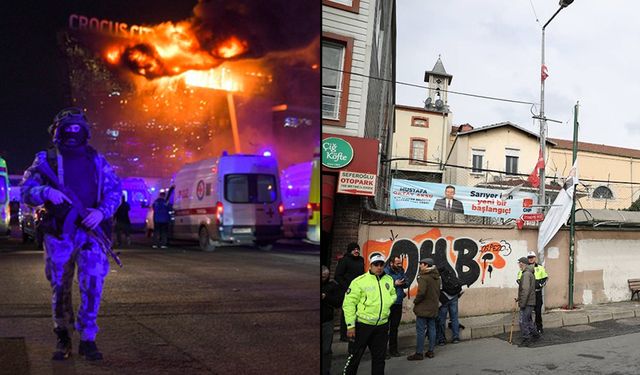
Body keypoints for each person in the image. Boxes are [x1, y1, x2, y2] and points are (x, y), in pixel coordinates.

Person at [20, 107, 122, 361]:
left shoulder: (97, 160)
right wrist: (45, 192)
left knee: (93, 285)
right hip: (59, 234)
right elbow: (25, 191)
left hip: (90, 233)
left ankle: (87, 338)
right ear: (58, 132)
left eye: (78, 129)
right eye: (68, 129)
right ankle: (63, 336)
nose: (73, 134)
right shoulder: (47, 160)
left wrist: (101, 212)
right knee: (60, 288)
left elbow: (114, 192)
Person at [342, 254, 395, 375]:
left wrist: (388, 302)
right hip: (363, 326)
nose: (379, 267)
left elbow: (393, 294)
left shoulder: (389, 279)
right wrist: (350, 325)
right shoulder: (359, 281)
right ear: (370, 266)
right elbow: (349, 303)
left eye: (382, 264)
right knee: (354, 358)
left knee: (379, 359)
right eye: (376, 264)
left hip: (382, 326)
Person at [407, 258, 440, 360]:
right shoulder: (437, 276)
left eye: (421, 264)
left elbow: (421, 293)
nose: (420, 265)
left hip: (423, 307)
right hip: (433, 306)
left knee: (421, 330)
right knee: (432, 329)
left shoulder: (424, 277)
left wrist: (415, 301)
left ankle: (419, 353)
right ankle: (431, 351)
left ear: (426, 265)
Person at [334, 242, 364, 341]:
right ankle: (344, 335)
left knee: (357, 312)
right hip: (347, 291)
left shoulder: (361, 260)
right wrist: (347, 287)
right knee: (347, 313)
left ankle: (354, 333)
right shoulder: (344, 260)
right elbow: (337, 276)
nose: (356, 251)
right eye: (354, 249)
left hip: (359, 291)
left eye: (357, 249)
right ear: (350, 250)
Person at [518, 250, 549, 334]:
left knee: (538, 311)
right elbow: (519, 279)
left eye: (532, 257)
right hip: (529, 294)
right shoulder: (524, 268)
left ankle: (539, 327)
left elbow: (545, 278)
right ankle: (532, 328)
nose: (530, 259)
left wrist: (540, 285)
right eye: (529, 257)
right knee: (529, 312)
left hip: (537, 292)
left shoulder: (540, 267)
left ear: (535, 258)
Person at [384, 255, 408, 358]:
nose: (399, 265)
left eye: (400, 263)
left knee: (394, 328)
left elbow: (407, 282)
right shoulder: (385, 272)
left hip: (398, 302)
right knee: (384, 328)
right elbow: (383, 285)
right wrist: (394, 283)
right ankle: (383, 351)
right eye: (397, 263)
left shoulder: (401, 271)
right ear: (391, 263)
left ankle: (393, 350)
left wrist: (402, 283)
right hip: (388, 303)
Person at [436, 265, 463, 345]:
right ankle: (456, 337)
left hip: (444, 299)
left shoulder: (439, 278)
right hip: (454, 297)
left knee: (442, 319)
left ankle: (442, 339)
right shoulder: (451, 274)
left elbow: (439, 289)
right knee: (454, 318)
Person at [321, 265, 341, 375]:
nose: (324, 278)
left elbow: (338, 302)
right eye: (322, 276)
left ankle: (325, 371)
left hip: (327, 321)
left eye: (326, 276)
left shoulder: (332, 286)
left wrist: (326, 297)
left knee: (326, 350)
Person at [517, 256, 540, 347]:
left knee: (523, 321)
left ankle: (526, 338)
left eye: (519, 263)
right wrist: (520, 298)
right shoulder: (529, 273)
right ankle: (535, 335)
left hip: (527, 302)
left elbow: (525, 289)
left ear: (523, 263)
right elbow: (527, 290)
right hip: (529, 301)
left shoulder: (526, 274)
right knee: (529, 320)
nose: (519, 264)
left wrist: (522, 303)